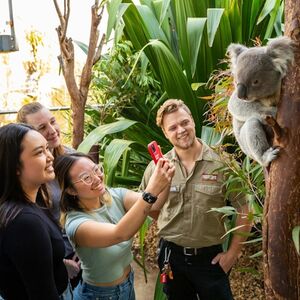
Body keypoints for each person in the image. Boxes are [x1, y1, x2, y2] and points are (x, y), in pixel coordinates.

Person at [140, 99, 252, 300]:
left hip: (210, 259)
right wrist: (170, 222)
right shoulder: (157, 169)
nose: (180, 130)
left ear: (192, 121)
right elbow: (147, 207)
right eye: (172, 127)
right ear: (165, 133)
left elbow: (245, 207)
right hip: (171, 257)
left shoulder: (223, 163)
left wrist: (233, 253)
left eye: (184, 122)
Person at [54, 152, 175, 300]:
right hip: (99, 295)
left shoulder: (115, 196)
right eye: (86, 177)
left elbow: (155, 204)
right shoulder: (76, 224)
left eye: (96, 169)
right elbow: (120, 233)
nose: (97, 178)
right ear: (71, 190)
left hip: (128, 285)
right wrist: (151, 190)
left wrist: (166, 177)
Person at [0, 123, 69, 299]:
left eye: (47, 148)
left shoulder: (32, 202)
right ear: (15, 166)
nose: (50, 157)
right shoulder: (24, 223)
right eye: (39, 152)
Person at [17, 102, 81, 284]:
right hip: (55, 259)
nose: (52, 130)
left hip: (82, 248)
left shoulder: (71, 156)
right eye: (42, 127)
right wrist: (58, 263)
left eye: (53, 121)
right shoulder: (29, 175)